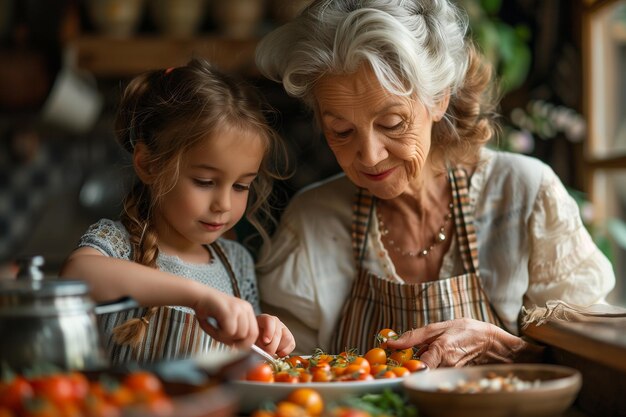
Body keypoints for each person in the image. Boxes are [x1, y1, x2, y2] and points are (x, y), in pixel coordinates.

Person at [254, 0, 616, 368]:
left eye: (392, 123)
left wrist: (502, 346)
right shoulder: (312, 220)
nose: (369, 156)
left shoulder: (523, 193)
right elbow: (288, 373)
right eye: (341, 131)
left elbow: (593, 360)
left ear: (439, 99)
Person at [60, 58, 295, 364]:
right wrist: (197, 296)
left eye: (241, 186)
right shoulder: (118, 243)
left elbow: (242, 359)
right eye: (205, 181)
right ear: (149, 165)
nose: (223, 204)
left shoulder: (237, 263)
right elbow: (76, 276)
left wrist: (263, 333)